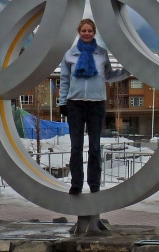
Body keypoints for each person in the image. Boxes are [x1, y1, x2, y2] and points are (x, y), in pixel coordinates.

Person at [57, 18, 129, 194]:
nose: (87, 33)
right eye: (84, 30)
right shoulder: (70, 54)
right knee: (76, 147)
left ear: (94, 32)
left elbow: (109, 75)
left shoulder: (102, 53)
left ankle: (94, 184)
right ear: (79, 32)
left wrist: (128, 71)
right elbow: (65, 80)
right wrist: (62, 102)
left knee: (95, 146)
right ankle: (76, 184)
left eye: (89, 31)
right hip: (75, 104)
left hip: (97, 104)